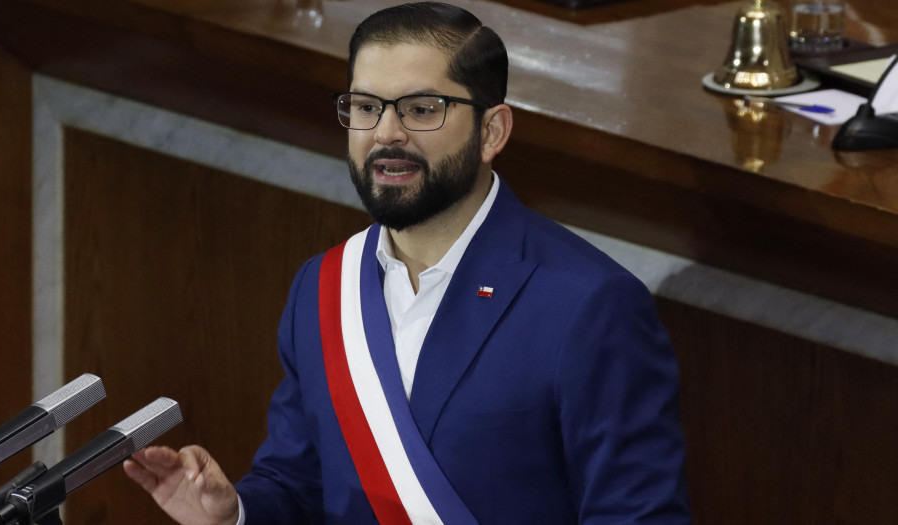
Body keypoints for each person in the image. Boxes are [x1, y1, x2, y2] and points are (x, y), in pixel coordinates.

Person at [123, 3, 690, 523]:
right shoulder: (321, 289)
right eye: (366, 108)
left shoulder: (589, 305)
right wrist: (233, 515)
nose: (386, 135)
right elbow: (299, 486)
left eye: (422, 109)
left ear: (491, 131)